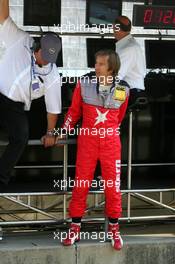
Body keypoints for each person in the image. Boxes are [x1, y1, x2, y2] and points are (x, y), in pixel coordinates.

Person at [57, 49, 130, 250]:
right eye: (96, 63)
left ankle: (114, 231)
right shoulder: (84, 84)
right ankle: (74, 229)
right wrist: (63, 131)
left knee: (113, 188)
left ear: (111, 68)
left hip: (111, 144)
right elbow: (74, 112)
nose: (95, 67)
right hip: (87, 143)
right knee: (80, 185)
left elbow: (119, 117)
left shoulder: (124, 89)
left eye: (100, 64)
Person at [0, 0, 62, 187]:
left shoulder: (52, 72)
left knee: (21, 136)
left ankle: (0, 180)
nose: (47, 61)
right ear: (37, 46)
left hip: (15, 106)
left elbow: (53, 108)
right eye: (45, 55)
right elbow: (3, 16)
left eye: (51, 57)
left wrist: (51, 132)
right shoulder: (20, 39)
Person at [113, 15, 146, 106]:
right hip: (129, 90)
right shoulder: (130, 45)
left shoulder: (128, 48)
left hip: (130, 92)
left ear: (116, 28)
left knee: (99, 101)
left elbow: (117, 75)